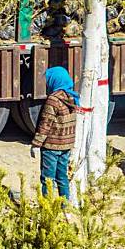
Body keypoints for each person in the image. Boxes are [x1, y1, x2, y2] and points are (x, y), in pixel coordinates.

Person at [30, 66, 79, 199]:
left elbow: (45, 124)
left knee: (47, 180)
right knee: (62, 178)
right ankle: (65, 207)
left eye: (48, 80)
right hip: (66, 146)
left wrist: (36, 144)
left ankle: (48, 209)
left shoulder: (53, 100)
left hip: (51, 147)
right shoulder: (72, 97)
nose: (46, 83)